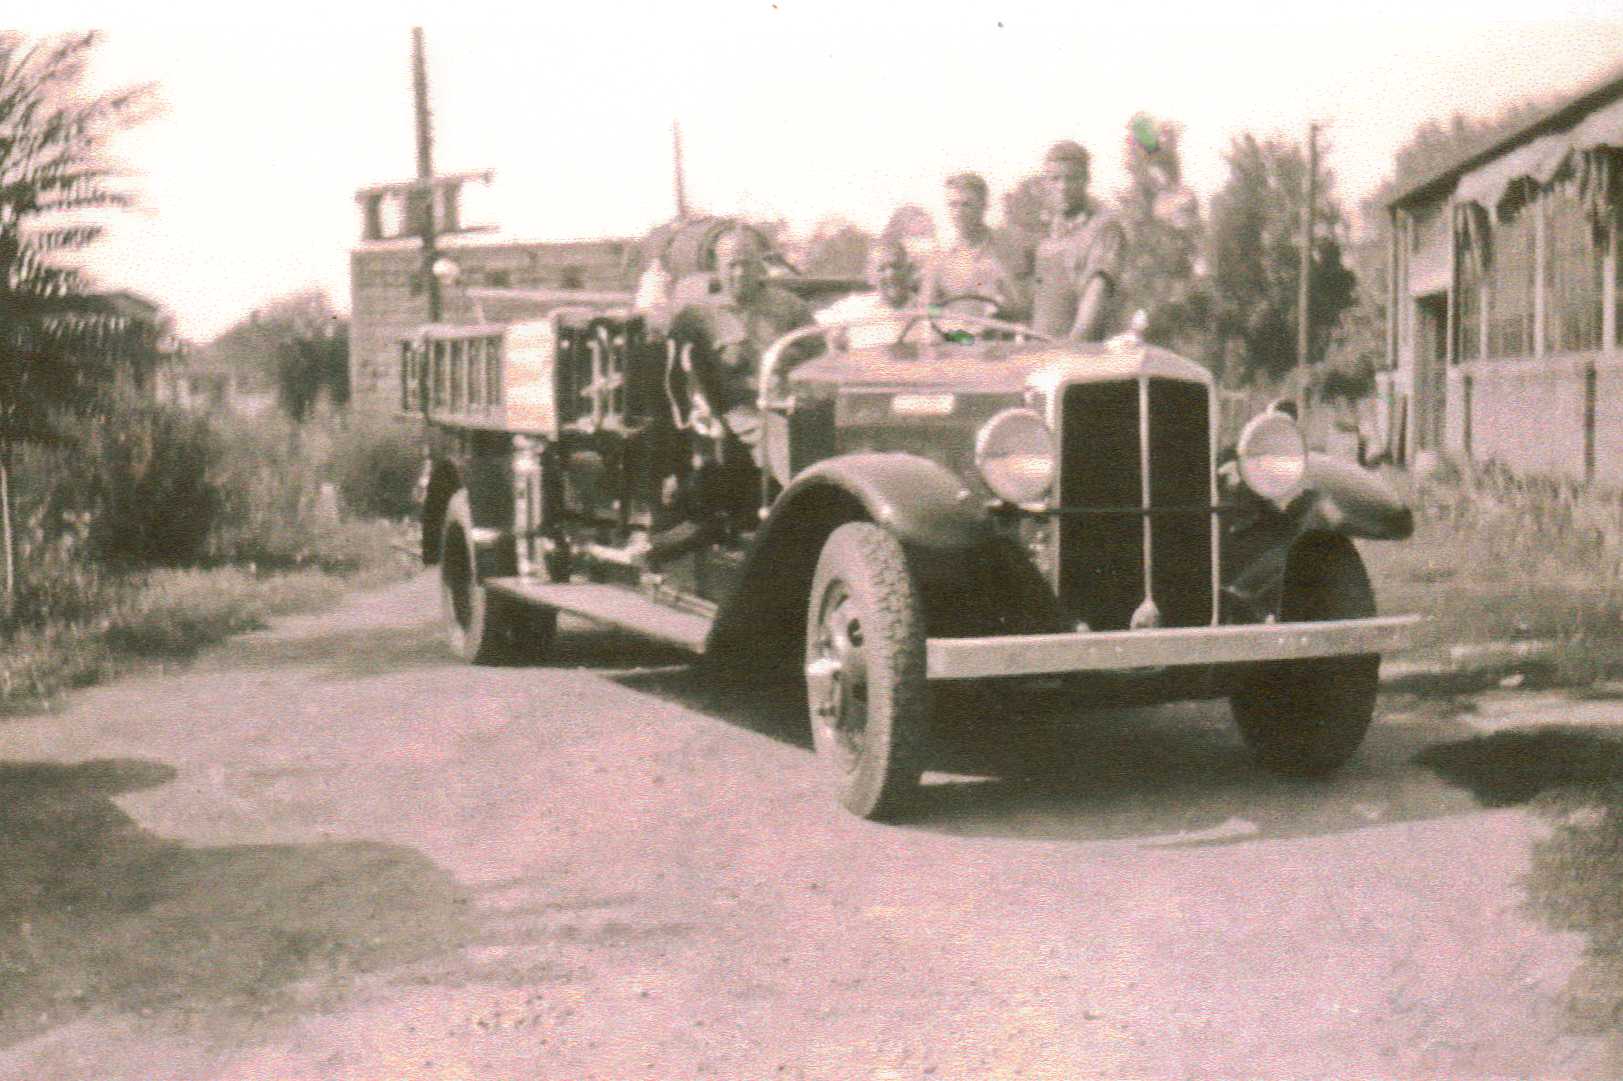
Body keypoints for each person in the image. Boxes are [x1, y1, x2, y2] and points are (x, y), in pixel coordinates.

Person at [1031, 141, 1128, 340]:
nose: (1063, 187)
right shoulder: (1045, 235)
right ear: (1046, 183)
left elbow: (1096, 295)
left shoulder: (1103, 228)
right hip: (1039, 353)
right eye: (1055, 179)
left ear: (1086, 179)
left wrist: (1070, 350)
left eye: (1071, 179)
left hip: (1080, 356)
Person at [921, 172, 1031, 321]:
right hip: (957, 340)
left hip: (1003, 340)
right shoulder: (938, 258)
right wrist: (958, 336)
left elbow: (1025, 308)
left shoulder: (1009, 249)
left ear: (984, 206)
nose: (959, 213)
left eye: (967, 205)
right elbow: (929, 311)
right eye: (953, 205)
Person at [815, 236, 922, 349]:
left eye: (896, 267)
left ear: (910, 270)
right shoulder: (853, 308)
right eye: (881, 269)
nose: (891, 275)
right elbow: (806, 328)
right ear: (871, 277)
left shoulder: (926, 309)